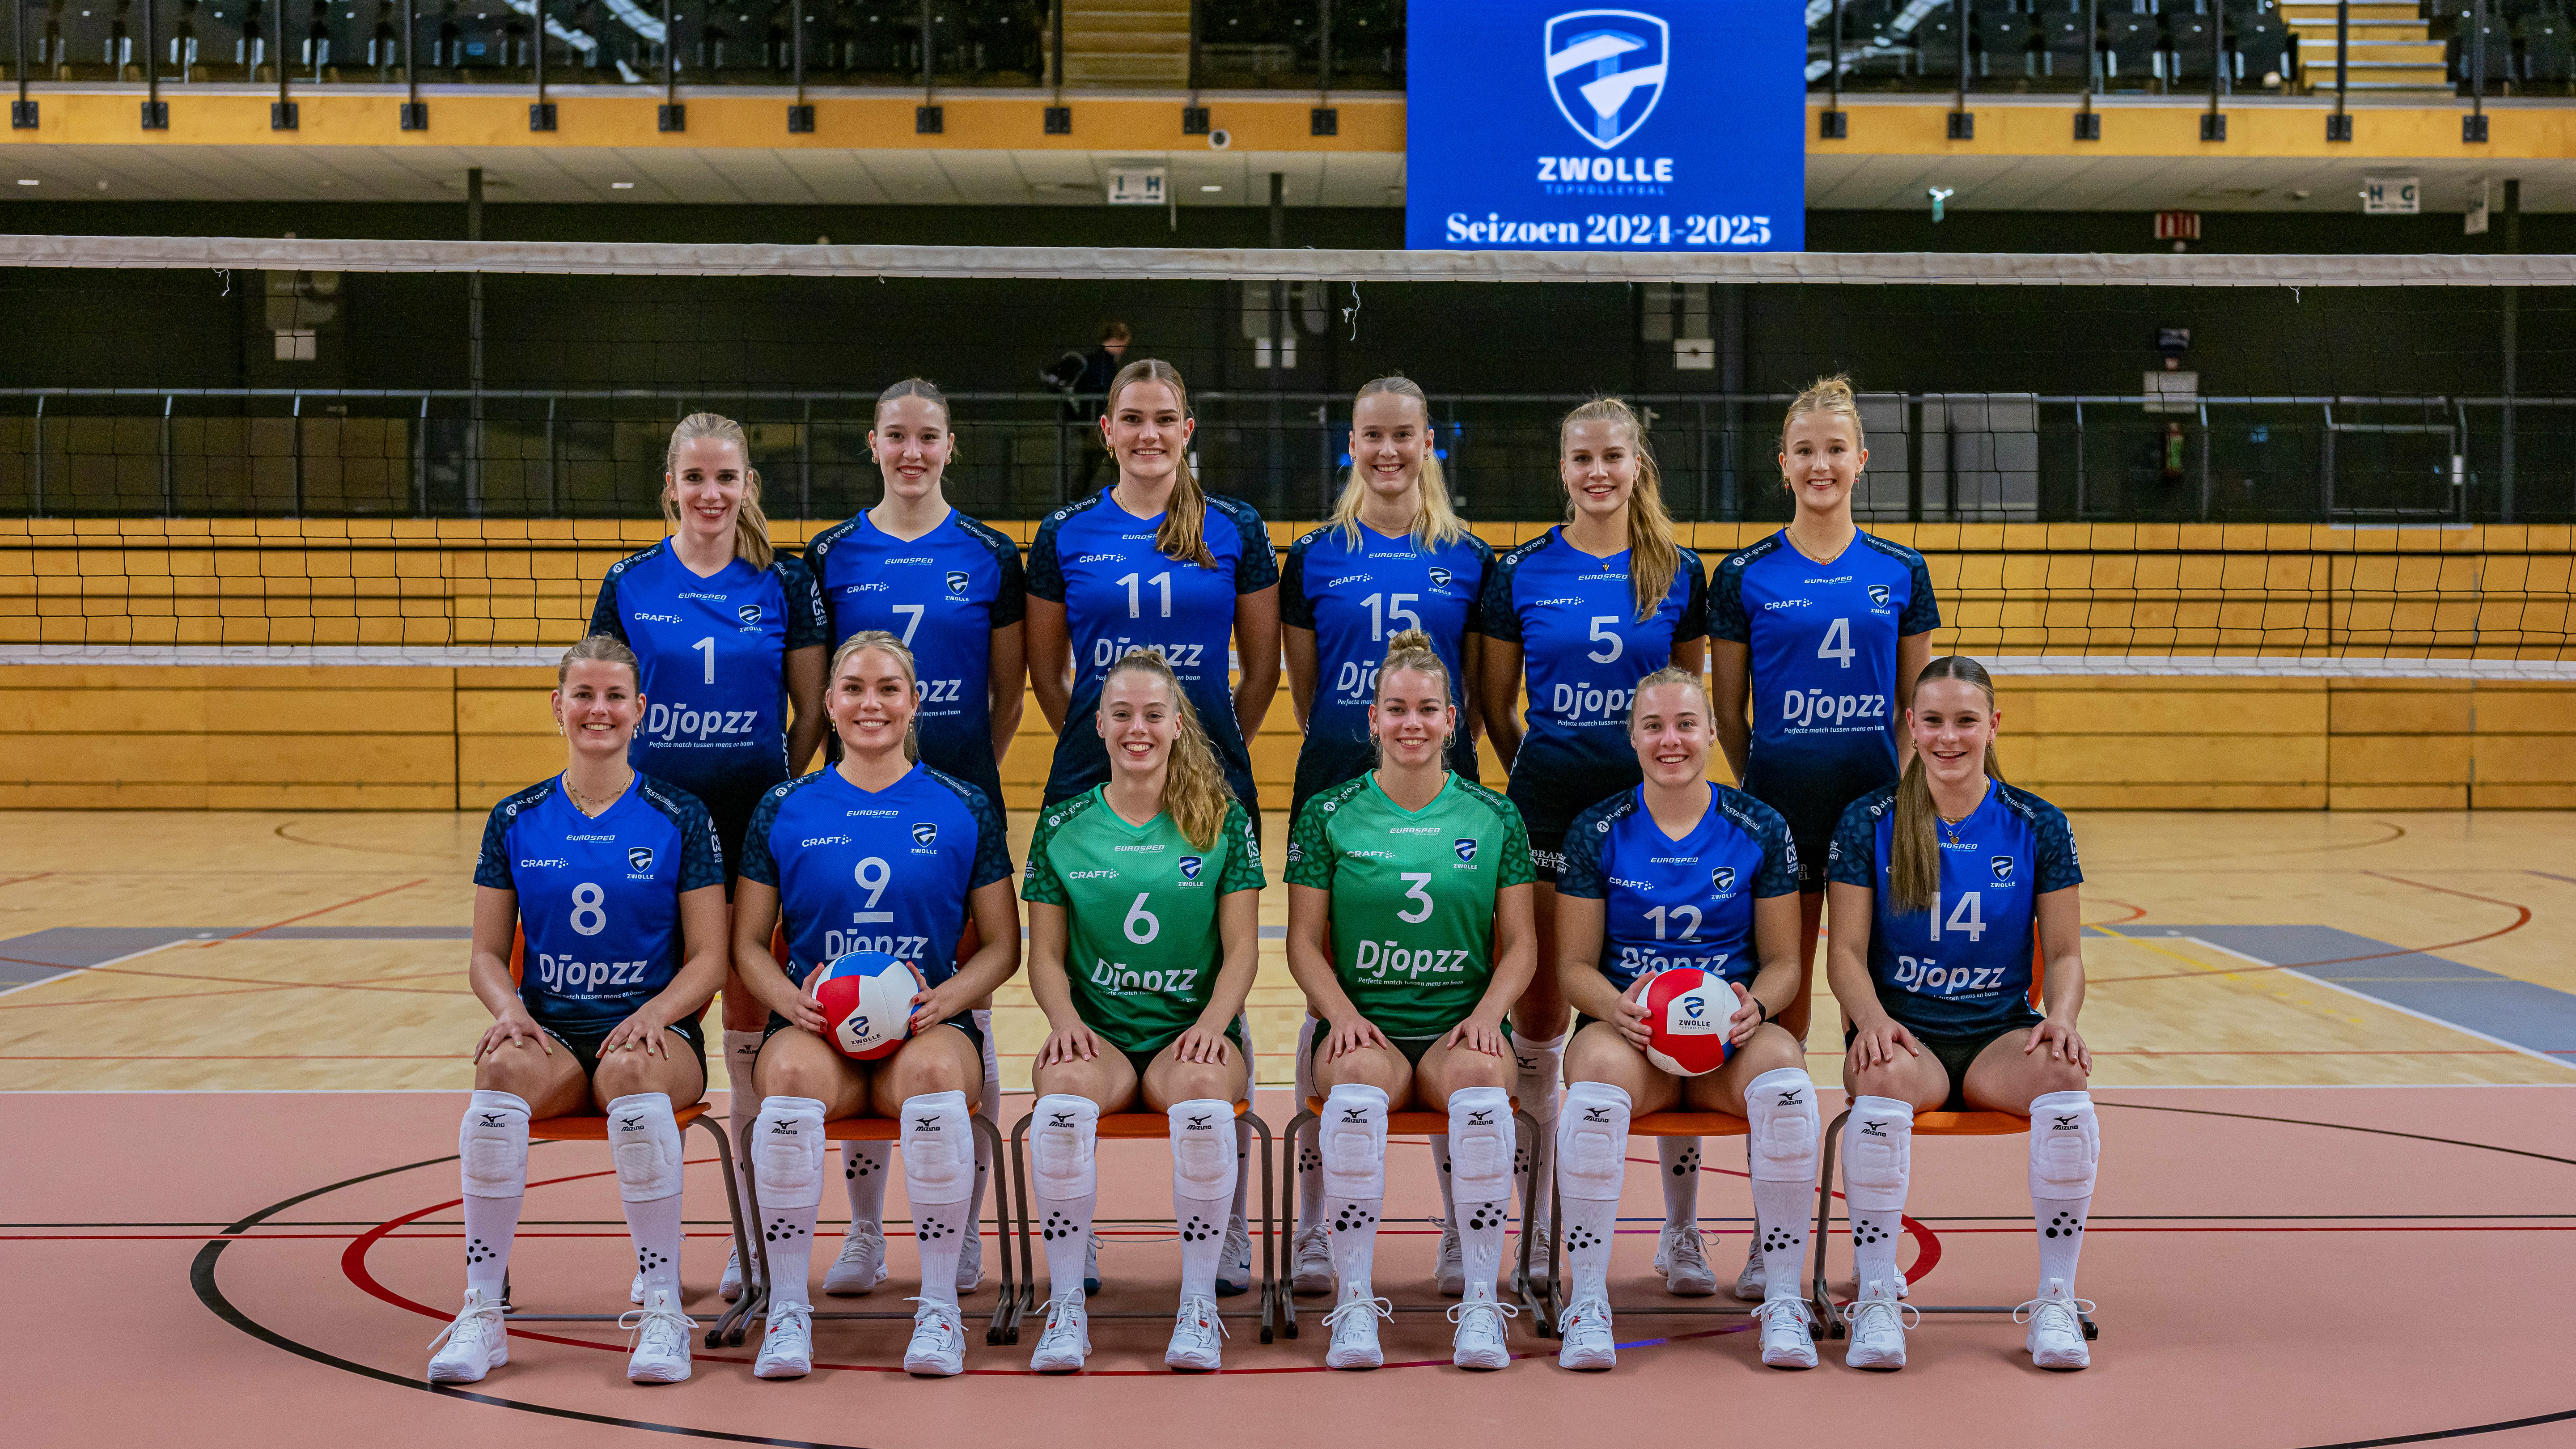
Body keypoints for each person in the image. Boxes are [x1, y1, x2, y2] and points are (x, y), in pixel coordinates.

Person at [1025, 359, 1279, 1292]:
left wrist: (1201, 759)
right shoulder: (1065, 533)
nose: (1147, 433)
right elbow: (1052, 676)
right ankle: (1074, 1228)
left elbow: (1257, 671)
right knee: (1087, 981)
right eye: (1130, 419)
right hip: (1093, 773)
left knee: (1220, 990)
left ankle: (1232, 1226)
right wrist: (1114, 744)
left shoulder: (1236, 530)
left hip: (1208, 779)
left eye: (1163, 418)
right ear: (1105, 430)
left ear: (1188, 428)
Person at [430, 636, 730, 1386]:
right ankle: (482, 1312)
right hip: (554, 1035)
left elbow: (710, 960)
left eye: (615, 697)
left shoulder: (679, 815)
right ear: (558, 706)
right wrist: (507, 1008)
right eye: (585, 695)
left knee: (633, 1080)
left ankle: (662, 1306)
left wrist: (660, 1011)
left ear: (641, 711)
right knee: (497, 1073)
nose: (599, 710)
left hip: (654, 1034)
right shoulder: (516, 818)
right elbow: (485, 955)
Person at [728, 631, 1022, 1380]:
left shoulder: (963, 805)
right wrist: (790, 1003)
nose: (871, 704)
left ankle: (938, 1309)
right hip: (817, 1028)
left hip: (925, 1024)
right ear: (827, 705)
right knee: (785, 1083)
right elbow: (749, 944)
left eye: (889, 688)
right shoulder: (785, 807)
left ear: (915, 703)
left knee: (934, 1088)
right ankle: (788, 1310)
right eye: (854, 688)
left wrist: (944, 998)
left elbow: (1001, 945)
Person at [587, 411, 830, 1300]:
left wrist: (772, 800)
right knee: (661, 1026)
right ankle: (667, 1258)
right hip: (660, 832)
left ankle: (757, 1239)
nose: (710, 494)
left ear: (747, 487)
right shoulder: (630, 581)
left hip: (755, 824)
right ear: (671, 486)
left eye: (726, 478)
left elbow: (809, 714)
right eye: (695, 478)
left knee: (754, 1028)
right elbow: (608, 699)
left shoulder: (785, 581)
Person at [1707, 375, 1938, 1301]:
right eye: (1804, 450)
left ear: (1860, 461)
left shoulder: (1899, 569)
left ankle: (1868, 1255)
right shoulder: (1745, 573)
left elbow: (1916, 710)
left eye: (1835, 450)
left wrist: (1896, 812)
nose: (1820, 465)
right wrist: (1765, 787)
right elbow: (1730, 712)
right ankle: (1777, 1247)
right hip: (1778, 820)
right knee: (1780, 1023)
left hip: (1872, 825)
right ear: (1783, 464)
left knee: (1872, 1033)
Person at [802, 378, 1026, 1303]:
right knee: (858, 1001)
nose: (912, 452)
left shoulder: (988, 554)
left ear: (950, 444)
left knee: (955, 1016)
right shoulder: (830, 555)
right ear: (873, 442)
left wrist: (955, 783)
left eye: (927, 436)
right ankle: (862, 1233)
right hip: (851, 803)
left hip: (953, 805)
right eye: (896, 435)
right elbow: (817, 688)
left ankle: (961, 1229)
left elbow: (1007, 694)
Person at [1475, 397, 1707, 1280]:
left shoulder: (1679, 571)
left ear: (1637, 464)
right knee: (1537, 1020)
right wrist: (1542, 765)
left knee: (1668, 1008)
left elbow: (1685, 696)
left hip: (1655, 818)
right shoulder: (1523, 570)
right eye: (1582, 458)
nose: (1598, 472)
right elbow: (1497, 703)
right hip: (1545, 807)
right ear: (1563, 469)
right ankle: (1537, 1228)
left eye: (1613, 456)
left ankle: (1679, 1231)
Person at [1279, 373, 1496, 1299]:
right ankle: (1315, 1227)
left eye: (1405, 435)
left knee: (1458, 987)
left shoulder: (1472, 558)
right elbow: (1304, 683)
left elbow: (1478, 694)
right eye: (1372, 436)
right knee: (1330, 994)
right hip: (1338, 776)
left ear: (1430, 441)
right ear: (1352, 443)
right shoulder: (1314, 554)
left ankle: (1464, 1231)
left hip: (1444, 789)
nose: (1389, 452)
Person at [1824, 655, 2097, 1372]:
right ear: (1910, 726)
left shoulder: (2037, 823)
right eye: (1935, 721)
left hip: (1995, 1035)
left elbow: (2065, 955)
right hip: (1904, 1035)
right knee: (1881, 1081)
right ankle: (1878, 1296)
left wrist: (2061, 1018)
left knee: (2066, 1079)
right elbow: (1845, 955)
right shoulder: (1869, 820)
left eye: (1966, 721)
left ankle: (2057, 1298)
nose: (1950, 738)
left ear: (1992, 726)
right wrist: (1871, 1022)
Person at [1548, 667, 1819, 1372]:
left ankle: (1784, 1296)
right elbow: (1574, 967)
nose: (1672, 740)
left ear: (1713, 732)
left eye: (1686, 725)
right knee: (1597, 1084)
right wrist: (1618, 1008)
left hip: (1729, 1042)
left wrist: (1756, 1005)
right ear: (1632, 737)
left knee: (1788, 1080)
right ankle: (1588, 1302)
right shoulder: (1598, 829)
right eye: (1654, 726)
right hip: (1633, 1039)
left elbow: (1787, 961)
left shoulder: (1758, 826)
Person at [1286, 630, 1537, 1372]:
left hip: (1457, 1027)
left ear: (1452, 720)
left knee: (1487, 1093)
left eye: (1428, 710)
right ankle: (1355, 1299)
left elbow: (1521, 942)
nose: (1412, 724)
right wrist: (1341, 1014)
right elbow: (1304, 942)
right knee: (1356, 1093)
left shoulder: (1495, 818)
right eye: (1396, 709)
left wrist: (1489, 1015)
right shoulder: (1328, 814)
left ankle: (1482, 1305)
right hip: (1372, 1027)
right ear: (1372, 720)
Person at [1018, 648, 1267, 1373]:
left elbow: (1244, 951)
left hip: (1187, 1031)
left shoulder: (1220, 822)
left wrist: (1212, 1029)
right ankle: (1065, 1305)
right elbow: (1044, 957)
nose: (1138, 728)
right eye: (1122, 714)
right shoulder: (1064, 825)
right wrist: (1066, 1024)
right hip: (1098, 1035)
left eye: (1153, 715)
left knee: (1200, 1095)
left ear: (1178, 725)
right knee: (1061, 1095)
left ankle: (1198, 1305)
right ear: (1097, 724)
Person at [1042, 320, 1131, 495]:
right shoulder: (1101, 364)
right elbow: (1101, 392)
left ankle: (1073, 504)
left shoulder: (1098, 362)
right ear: (1115, 339)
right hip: (1098, 425)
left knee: (1095, 466)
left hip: (1096, 425)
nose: (1123, 350)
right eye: (1123, 345)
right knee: (1120, 465)